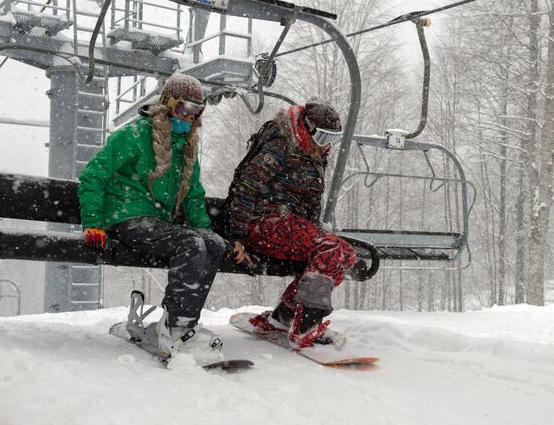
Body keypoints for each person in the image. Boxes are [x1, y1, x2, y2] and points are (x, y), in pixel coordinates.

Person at [77, 73, 244, 361]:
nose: (190, 118)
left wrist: (211, 234)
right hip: (126, 217)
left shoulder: (185, 148)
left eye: (197, 112)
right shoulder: (132, 136)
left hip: (156, 224)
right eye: (185, 109)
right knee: (191, 244)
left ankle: (181, 323)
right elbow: (93, 175)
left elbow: (192, 197)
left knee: (210, 245)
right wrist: (93, 223)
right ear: (168, 105)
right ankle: (176, 328)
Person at [223, 102, 357, 348]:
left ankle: (284, 317)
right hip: (263, 222)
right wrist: (237, 236)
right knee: (333, 250)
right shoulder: (282, 144)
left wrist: (313, 231)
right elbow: (248, 185)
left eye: (333, 139)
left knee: (343, 254)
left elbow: (309, 201)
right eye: (323, 136)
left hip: (288, 225)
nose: (327, 144)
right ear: (307, 128)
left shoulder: (314, 152)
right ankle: (305, 325)